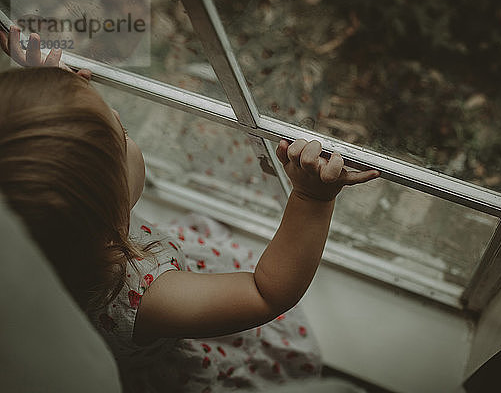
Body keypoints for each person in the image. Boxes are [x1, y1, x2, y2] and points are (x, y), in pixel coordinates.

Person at [0, 27, 379, 391]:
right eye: (125, 133)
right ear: (111, 206)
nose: (124, 125)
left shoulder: (44, 242)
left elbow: (40, 163)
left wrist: (50, 100)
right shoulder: (149, 298)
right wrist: (312, 199)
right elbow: (265, 293)